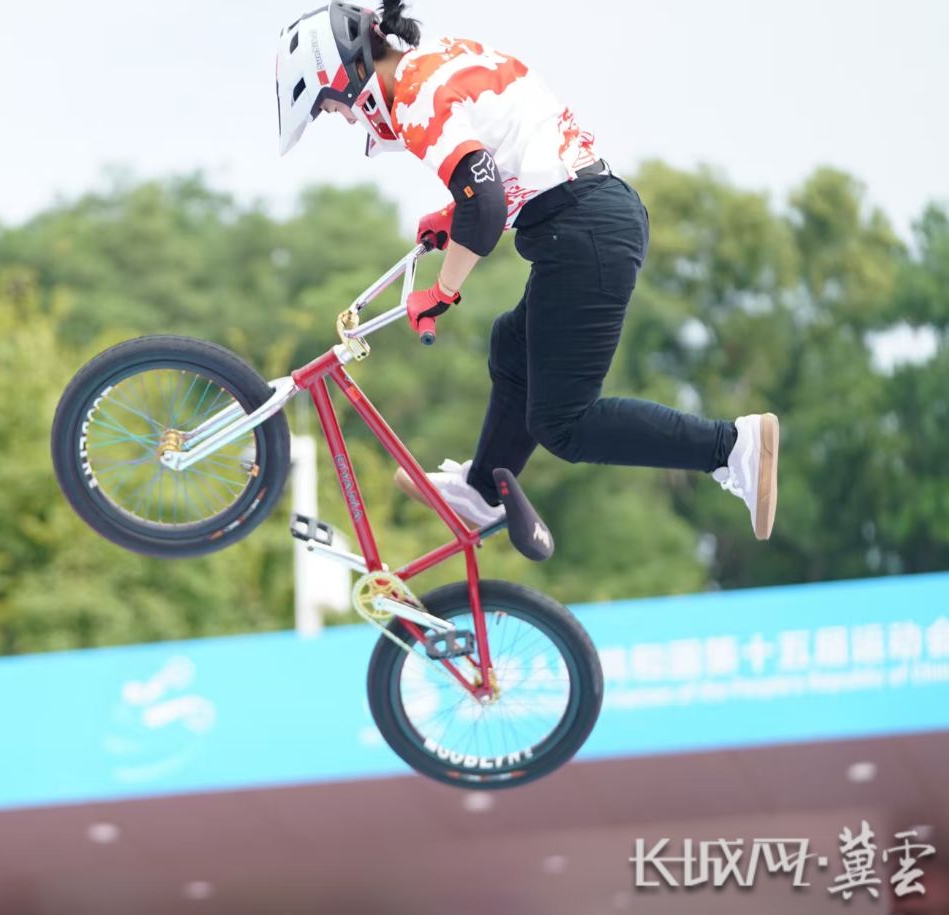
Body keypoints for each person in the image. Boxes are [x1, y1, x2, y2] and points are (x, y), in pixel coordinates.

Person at [275, 1, 779, 540]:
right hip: (590, 214)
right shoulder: (439, 60)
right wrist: (453, 215)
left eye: (331, 107)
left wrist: (442, 291)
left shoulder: (416, 101)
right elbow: (509, 169)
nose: (346, 118)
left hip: (583, 229)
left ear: (347, 74)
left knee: (564, 424)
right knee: (512, 345)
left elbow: (486, 204)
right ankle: (481, 492)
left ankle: (731, 448)